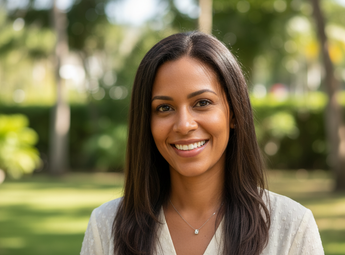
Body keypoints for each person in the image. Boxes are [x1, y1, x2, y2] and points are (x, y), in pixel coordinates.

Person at [80, 31, 324, 255]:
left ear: (234, 114)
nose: (184, 125)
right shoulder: (106, 226)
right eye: (164, 108)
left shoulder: (292, 227)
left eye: (202, 103)